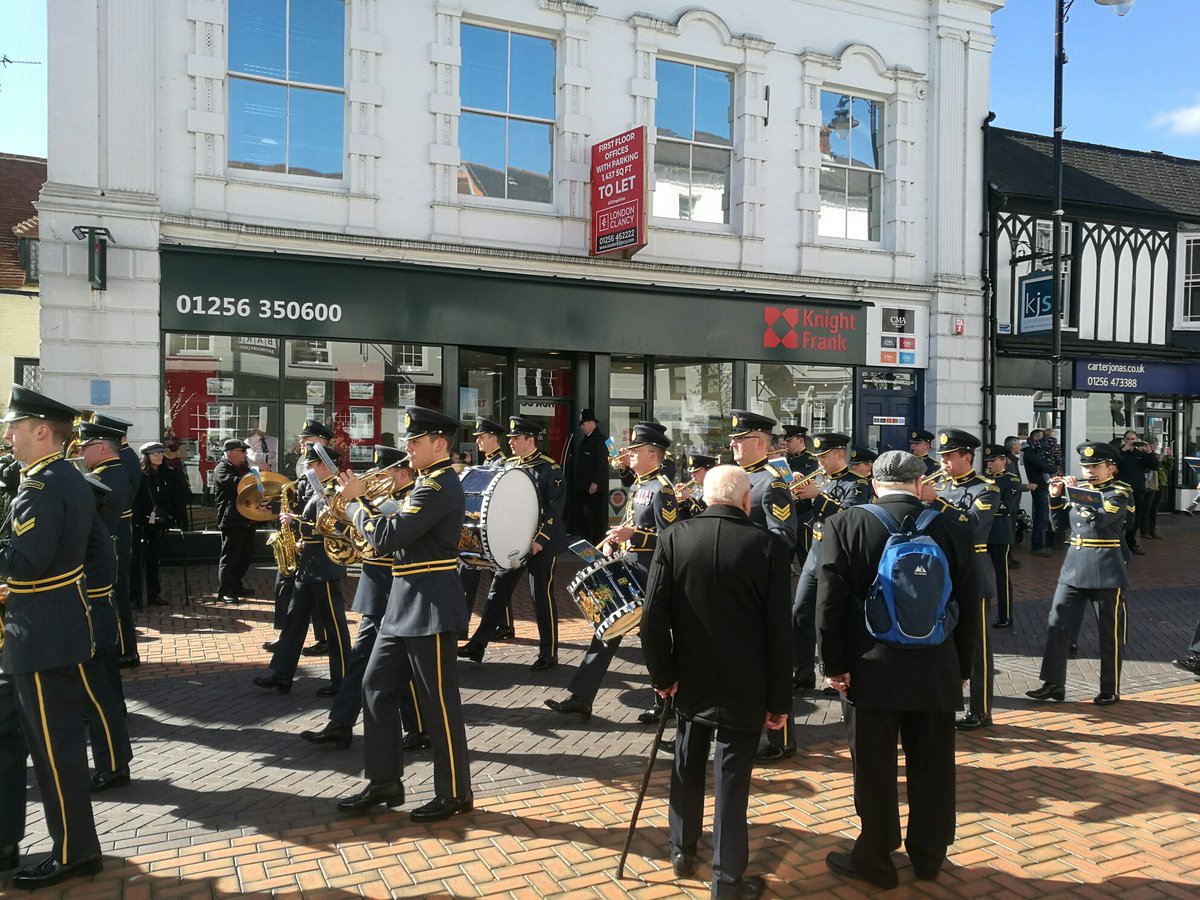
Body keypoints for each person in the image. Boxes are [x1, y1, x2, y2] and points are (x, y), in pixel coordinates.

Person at [817, 450, 981, 890]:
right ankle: (929, 855)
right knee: (932, 764)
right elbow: (970, 602)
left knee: (873, 767)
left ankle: (875, 855)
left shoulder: (845, 524)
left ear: (874, 482)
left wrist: (834, 665)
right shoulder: (952, 524)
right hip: (936, 665)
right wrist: (962, 666)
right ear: (919, 481)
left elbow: (828, 603)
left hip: (869, 669)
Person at [640, 465, 790, 900]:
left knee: (687, 761)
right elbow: (780, 633)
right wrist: (779, 699)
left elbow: (652, 618)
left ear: (706, 497)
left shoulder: (675, 537)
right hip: (747, 683)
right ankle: (726, 881)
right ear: (747, 501)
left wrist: (663, 675)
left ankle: (682, 849)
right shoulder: (768, 546)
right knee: (731, 779)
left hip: (690, 678)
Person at [335, 406, 473, 822]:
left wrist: (355, 502)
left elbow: (386, 538)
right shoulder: (424, 484)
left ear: (440, 444)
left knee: (439, 705)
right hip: (404, 602)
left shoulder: (437, 486)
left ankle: (455, 793)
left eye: (415, 441)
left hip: (429, 604)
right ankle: (384, 782)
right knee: (375, 686)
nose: (407, 448)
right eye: (408, 441)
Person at [0, 386, 104, 888]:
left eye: (15, 428)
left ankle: (74, 853)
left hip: (41, 630)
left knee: (54, 749)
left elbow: (24, 563)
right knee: (51, 743)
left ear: (42, 430)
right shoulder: (60, 477)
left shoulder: (43, 486)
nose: (8, 436)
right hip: (51, 624)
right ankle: (75, 847)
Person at [542, 422, 678, 723]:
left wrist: (635, 536)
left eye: (635, 450)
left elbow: (671, 538)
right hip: (629, 568)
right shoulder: (641, 485)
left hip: (650, 574)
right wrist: (613, 544)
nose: (629, 454)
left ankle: (667, 702)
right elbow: (633, 526)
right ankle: (581, 698)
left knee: (654, 641)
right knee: (606, 629)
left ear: (652, 455)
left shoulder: (662, 490)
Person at [301, 448, 428, 751]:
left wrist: (358, 506)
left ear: (399, 473)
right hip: (377, 587)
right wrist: (337, 516)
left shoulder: (413, 498)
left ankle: (347, 726)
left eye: (382, 473)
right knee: (367, 660)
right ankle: (343, 726)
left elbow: (385, 539)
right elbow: (359, 535)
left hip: (397, 588)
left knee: (386, 662)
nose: (376, 479)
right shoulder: (376, 500)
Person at [1026, 442, 1133, 706]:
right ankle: (1052, 684)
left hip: (1106, 568)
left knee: (1109, 632)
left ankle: (1110, 687)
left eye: (1095, 467)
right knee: (1057, 625)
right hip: (1074, 567)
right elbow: (1058, 526)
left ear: (1112, 468)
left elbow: (1099, 521)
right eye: (1086, 467)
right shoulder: (1080, 490)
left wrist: (1074, 496)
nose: (1089, 472)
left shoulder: (1120, 492)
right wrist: (1055, 497)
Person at [457, 416, 566, 671]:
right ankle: (478, 645)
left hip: (542, 544)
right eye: (511, 439)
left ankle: (549, 653)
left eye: (516, 439)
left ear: (531, 439)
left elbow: (555, 510)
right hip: (516, 541)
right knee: (497, 592)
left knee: (541, 597)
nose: (512, 443)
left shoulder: (550, 469)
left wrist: (540, 539)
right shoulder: (510, 465)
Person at [253, 445, 352, 694]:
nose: (307, 469)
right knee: (294, 619)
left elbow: (331, 527)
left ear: (322, 466)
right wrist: (299, 538)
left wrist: (295, 522)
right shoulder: (318, 489)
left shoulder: (334, 490)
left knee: (334, 626)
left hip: (325, 567)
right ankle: (282, 674)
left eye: (311, 465)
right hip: (309, 563)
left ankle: (343, 680)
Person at [727, 411, 797, 761]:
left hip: (763, 583)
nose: (733, 444)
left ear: (759, 442)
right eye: (732, 440)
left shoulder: (772, 483)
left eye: (739, 439)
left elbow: (783, 537)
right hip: (739, 583)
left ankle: (781, 739)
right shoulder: (737, 478)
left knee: (772, 657)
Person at [924, 429, 998, 731]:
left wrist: (938, 503)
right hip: (941, 569)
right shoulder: (938, 484)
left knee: (976, 646)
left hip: (971, 570)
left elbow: (973, 526)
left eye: (948, 456)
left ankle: (981, 710)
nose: (942, 461)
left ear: (966, 457)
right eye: (941, 456)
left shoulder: (987, 489)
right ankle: (943, 702)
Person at [791, 433, 873, 696]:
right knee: (801, 611)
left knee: (837, 615)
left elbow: (850, 515)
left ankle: (838, 672)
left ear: (840, 454)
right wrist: (797, 492)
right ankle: (803, 673)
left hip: (840, 556)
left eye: (824, 457)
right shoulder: (820, 479)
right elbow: (802, 512)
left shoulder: (858, 484)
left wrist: (818, 496)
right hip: (815, 552)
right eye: (817, 458)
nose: (820, 462)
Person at [458, 417, 513, 635]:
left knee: (498, 581)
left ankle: (505, 625)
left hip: (495, 531)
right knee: (469, 573)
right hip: (479, 531)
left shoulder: (506, 465)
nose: (478, 441)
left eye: (481, 437)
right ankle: (462, 626)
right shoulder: (485, 465)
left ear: (493, 438)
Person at [982, 443, 1033, 628]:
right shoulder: (984, 478)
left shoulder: (1010, 480)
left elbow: (1005, 508)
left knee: (1001, 575)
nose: (989, 464)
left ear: (1004, 461)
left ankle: (1005, 615)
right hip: (983, 533)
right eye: (988, 461)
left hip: (999, 533)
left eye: (993, 461)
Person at [131, 441, 187, 608]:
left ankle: (154, 594)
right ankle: (135, 596)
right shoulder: (140, 475)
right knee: (137, 561)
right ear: (147, 456)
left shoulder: (170, 474)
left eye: (161, 453)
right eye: (155, 454)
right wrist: (138, 520)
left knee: (154, 560)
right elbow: (135, 501)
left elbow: (178, 498)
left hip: (159, 522)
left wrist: (180, 519)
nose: (159, 456)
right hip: (142, 523)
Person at [212, 438, 258, 604]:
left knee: (244, 556)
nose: (245, 454)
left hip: (247, 518)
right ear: (231, 453)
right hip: (231, 519)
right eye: (242, 451)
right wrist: (255, 478)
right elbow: (238, 484)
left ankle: (237, 585)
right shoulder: (222, 469)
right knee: (230, 557)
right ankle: (225, 590)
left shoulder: (243, 468)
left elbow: (255, 486)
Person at [567, 409, 609, 546]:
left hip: (595, 487)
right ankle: (587, 537)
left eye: (584, 423)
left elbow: (603, 463)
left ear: (592, 423)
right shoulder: (585, 440)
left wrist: (595, 482)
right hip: (582, 486)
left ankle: (598, 544)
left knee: (596, 517)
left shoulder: (603, 440)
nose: (581, 427)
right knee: (574, 508)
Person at [1116, 430, 1154, 556]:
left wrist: (1149, 451)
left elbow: (1154, 466)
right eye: (1128, 439)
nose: (1131, 442)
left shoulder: (1140, 453)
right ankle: (1118, 543)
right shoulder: (1118, 453)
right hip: (1122, 491)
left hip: (1138, 490)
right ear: (1124, 439)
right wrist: (1123, 451)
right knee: (1120, 517)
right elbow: (1114, 465)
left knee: (1136, 518)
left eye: (1133, 439)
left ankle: (1130, 542)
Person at [1022, 429, 1060, 557]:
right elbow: (1042, 466)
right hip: (1039, 487)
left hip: (1043, 486)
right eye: (1041, 438)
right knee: (1041, 517)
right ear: (1035, 438)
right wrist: (1055, 468)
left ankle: (1041, 543)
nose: (1044, 441)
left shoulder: (1036, 451)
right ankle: (1038, 546)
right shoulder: (1030, 452)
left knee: (1042, 516)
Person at [675, 453, 717, 520]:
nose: (692, 475)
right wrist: (681, 503)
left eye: (696, 471)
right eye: (691, 472)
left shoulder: (716, 491)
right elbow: (686, 519)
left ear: (708, 471)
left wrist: (688, 499)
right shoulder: (698, 488)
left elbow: (703, 517)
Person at [1140, 437, 1163, 541]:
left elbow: (1166, 468)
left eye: (1156, 444)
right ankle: (1145, 531)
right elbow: (1149, 467)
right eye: (1152, 444)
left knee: (1154, 509)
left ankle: (1152, 530)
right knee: (1146, 509)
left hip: (1158, 483)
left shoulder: (1157, 455)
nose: (1154, 446)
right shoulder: (1144, 455)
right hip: (1148, 484)